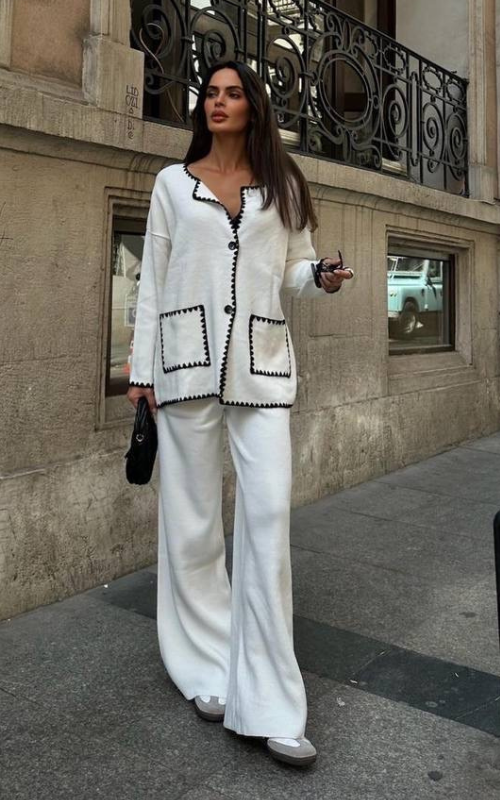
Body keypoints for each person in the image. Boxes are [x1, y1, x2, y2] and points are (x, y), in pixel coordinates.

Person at [127, 58, 354, 768]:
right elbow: (153, 281)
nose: (218, 102)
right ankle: (206, 668)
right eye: (210, 93)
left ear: (254, 106)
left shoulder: (284, 184)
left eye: (232, 93)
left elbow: (294, 269)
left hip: (262, 366)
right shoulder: (172, 183)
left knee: (267, 519)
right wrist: (141, 372)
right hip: (184, 362)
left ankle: (273, 704)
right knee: (192, 524)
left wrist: (320, 278)